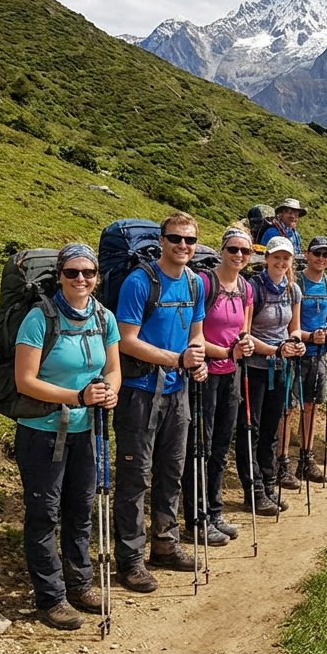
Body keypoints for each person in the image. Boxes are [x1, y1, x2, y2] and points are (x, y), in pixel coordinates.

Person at [13, 244, 120, 630]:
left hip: (85, 430)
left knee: (80, 509)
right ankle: (51, 597)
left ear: (97, 276)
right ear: (59, 275)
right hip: (42, 432)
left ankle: (80, 583)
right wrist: (77, 397)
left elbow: (113, 369)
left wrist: (109, 391)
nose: (81, 279)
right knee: (44, 515)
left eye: (88, 273)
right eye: (72, 272)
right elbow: (25, 381)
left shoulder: (103, 316)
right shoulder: (39, 319)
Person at [114, 212, 208, 593]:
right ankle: (131, 560)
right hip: (139, 390)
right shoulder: (140, 282)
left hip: (178, 390)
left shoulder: (195, 283)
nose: (182, 246)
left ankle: (165, 545)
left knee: (172, 470)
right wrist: (176, 360)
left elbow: (196, 334)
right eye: (175, 239)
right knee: (135, 477)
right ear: (162, 240)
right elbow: (126, 339)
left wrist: (197, 359)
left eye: (189, 240)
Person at [182, 228, 256, 546]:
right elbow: (192, 335)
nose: (239, 255)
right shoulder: (204, 283)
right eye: (233, 249)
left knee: (221, 445)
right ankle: (195, 518)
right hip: (204, 374)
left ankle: (213, 511)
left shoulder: (246, 288)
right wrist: (227, 352)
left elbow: (244, 332)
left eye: (245, 251)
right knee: (200, 446)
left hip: (231, 374)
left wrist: (244, 346)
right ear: (222, 250)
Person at [242, 236, 305, 509]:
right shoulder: (253, 288)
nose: (281, 262)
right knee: (250, 430)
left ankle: (268, 485)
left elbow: (295, 328)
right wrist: (274, 350)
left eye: (286, 258)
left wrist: (296, 342)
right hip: (254, 368)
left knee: (270, 430)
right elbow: (243, 334)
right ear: (266, 258)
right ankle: (253, 491)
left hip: (281, 368)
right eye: (276, 257)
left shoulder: (293, 290)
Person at [293, 236, 327, 482]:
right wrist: (310, 336)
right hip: (296, 354)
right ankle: (281, 463)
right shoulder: (296, 282)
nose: (321, 258)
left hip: (319, 356)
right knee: (288, 409)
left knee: (312, 407)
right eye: (317, 253)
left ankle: (306, 458)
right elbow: (290, 325)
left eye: (326, 255)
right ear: (308, 255)